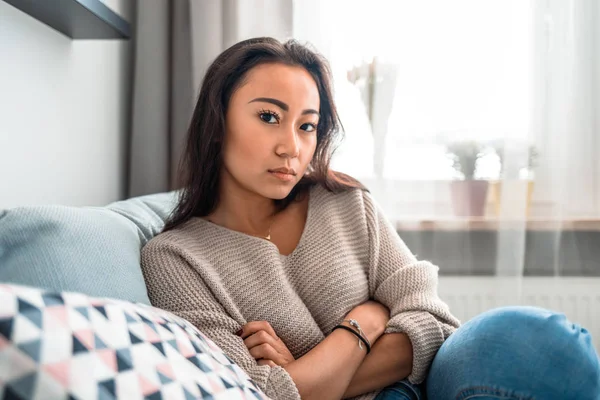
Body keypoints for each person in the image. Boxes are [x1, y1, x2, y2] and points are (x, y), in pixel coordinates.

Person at [141, 37, 600, 400]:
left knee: (545, 341)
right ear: (217, 121)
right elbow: (257, 393)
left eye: (306, 125)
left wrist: (309, 370)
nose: (292, 147)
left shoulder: (342, 201)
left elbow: (432, 321)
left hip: (433, 382)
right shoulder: (177, 257)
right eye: (268, 116)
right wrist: (367, 318)